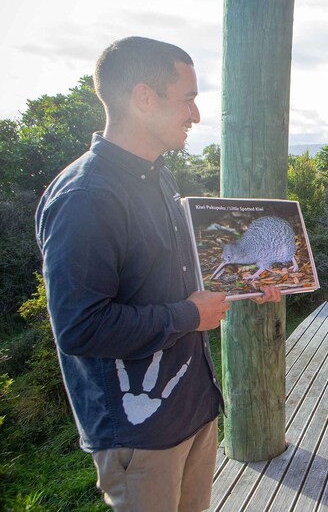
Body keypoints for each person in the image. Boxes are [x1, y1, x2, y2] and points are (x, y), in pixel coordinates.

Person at [35, 36, 281, 511]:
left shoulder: (158, 175)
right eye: (187, 98)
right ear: (144, 97)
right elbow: (80, 327)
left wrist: (248, 283)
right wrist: (188, 316)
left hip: (193, 409)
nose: (196, 114)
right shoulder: (86, 198)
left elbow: (168, 277)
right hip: (139, 432)